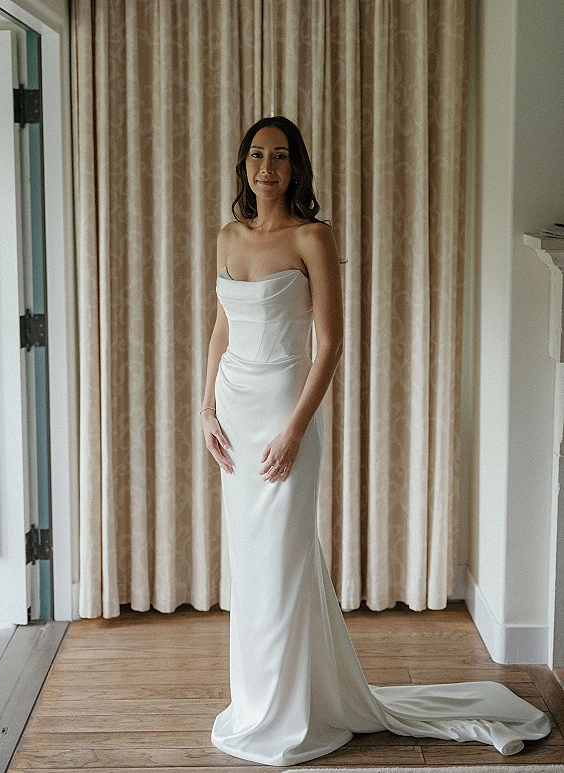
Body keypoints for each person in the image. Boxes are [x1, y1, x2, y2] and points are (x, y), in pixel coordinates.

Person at [200, 116, 551, 766]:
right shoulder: (228, 235)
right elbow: (221, 326)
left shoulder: (313, 235)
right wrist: (203, 406)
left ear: (295, 167)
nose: (266, 167)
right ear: (244, 164)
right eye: (256, 155)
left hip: (285, 408)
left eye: (279, 156)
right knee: (251, 570)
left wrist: (296, 428)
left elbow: (329, 345)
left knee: (283, 560)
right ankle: (260, 704)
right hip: (233, 413)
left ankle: (289, 713)